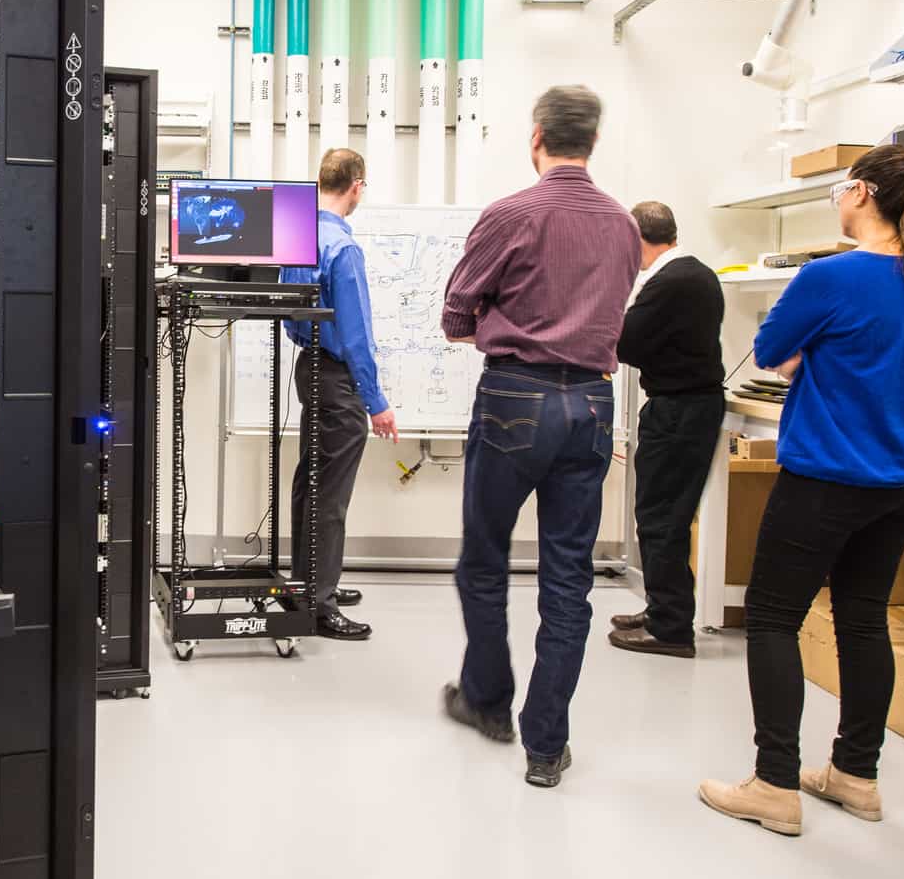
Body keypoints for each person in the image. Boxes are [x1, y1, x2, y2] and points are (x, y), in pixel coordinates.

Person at [699, 143, 904, 836]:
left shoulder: (829, 275)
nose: (837, 200)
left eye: (841, 189)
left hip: (830, 476)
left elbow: (770, 350)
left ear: (863, 192)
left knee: (772, 617)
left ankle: (774, 785)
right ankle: (855, 776)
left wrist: (811, 358)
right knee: (862, 619)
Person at [438, 86, 640, 787]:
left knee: (484, 559)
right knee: (568, 579)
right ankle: (546, 747)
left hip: (515, 397)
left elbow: (456, 315)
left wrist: (499, 322)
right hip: (592, 404)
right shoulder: (624, 226)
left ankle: (487, 702)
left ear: (536, 137)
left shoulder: (511, 214)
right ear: (593, 141)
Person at [280, 149, 397, 639]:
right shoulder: (343, 249)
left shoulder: (298, 239)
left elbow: (289, 318)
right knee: (330, 494)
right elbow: (356, 335)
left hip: (309, 368)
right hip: (338, 377)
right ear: (357, 186)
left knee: (310, 481)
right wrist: (376, 403)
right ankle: (319, 604)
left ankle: (308, 582)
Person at [608, 202, 726, 658]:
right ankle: (662, 609)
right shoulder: (696, 273)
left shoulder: (670, 282)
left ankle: (671, 628)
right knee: (664, 514)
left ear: (635, 238)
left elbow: (627, 343)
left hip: (679, 411)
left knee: (661, 517)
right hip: (689, 407)